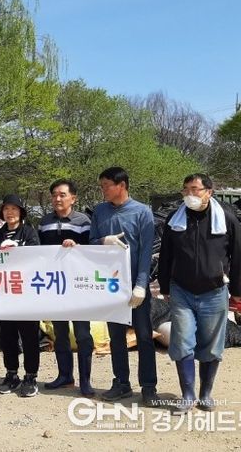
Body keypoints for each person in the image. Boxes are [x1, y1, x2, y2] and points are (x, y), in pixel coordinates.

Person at [158, 174, 241, 412]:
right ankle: (187, 394)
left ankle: (205, 393)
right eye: (186, 189)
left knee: (211, 344)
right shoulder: (175, 219)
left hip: (214, 291)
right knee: (182, 341)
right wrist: (164, 286)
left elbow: (239, 255)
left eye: (195, 189)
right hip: (182, 290)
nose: (190, 194)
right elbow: (166, 255)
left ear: (209, 192)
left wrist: (238, 290)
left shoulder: (226, 218)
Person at [89, 167, 159, 406]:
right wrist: (103, 241)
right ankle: (121, 383)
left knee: (144, 336)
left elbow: (146, 251)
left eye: (106, 185)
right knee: (116, 337)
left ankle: (149, 386)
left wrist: (141, 285)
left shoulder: (142, 212)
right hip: (111, 285)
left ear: (122, 185)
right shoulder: (100, 212)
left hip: (135, 285)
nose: (103, 190)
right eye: (102, 186)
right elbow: (90, 243)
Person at [38, 179, 95, 397]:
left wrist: (78, 247)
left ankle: (85, 380)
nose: (57, 198)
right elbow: (37, 253)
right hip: (55, 286)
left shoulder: (84, 221)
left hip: (78, 286)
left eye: (62, 194)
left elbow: (93, 250)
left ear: (73, 198)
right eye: (54, 195)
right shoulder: (44, 222)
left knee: (82, 334)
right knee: (59, 333)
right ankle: (65, 376)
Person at [0, 194, 41, 398]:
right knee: (7, 336)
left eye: (14, 209)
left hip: (26, 294)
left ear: (21, 212)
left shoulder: (29, 233)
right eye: (6, 209)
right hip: (4, 294)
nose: (10, 213)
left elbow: (37, 256)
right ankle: (11, 374)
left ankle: (31, 376)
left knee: (29, 337)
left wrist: (19, 249)